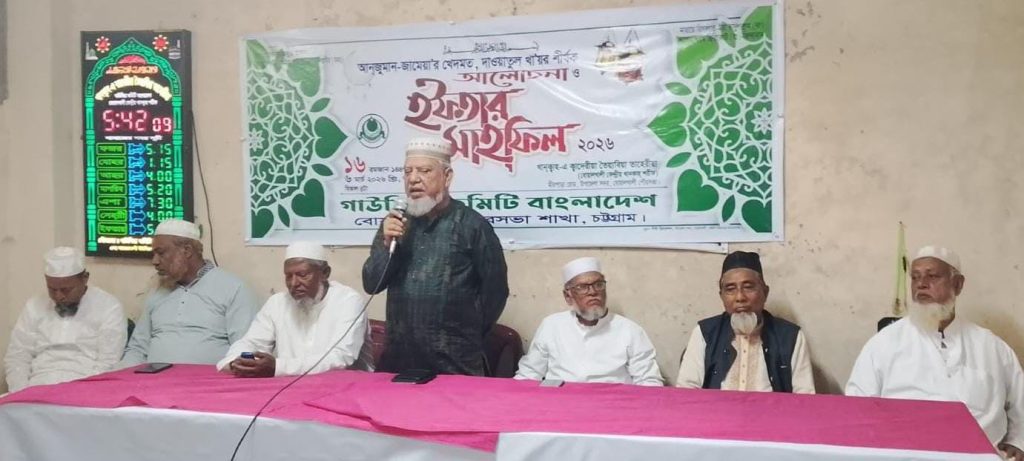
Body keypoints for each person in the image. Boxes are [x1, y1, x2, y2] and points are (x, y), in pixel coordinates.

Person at [846, 246, 1024, 460]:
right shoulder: (884, 343)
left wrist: (1018, 442)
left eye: (932, 276)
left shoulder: (992, 347)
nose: (921, 284)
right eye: (915, 277)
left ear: (958, 284)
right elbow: (857, 406)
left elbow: (1020, 402)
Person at [362, 137, 509, 376]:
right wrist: (388, 244)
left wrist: (462, 334)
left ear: (447, 176)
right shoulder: (395, 223)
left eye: (424, 171)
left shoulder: (472, 226)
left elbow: (495, 292)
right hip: (399, 361)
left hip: (455, 363)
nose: (413, 179)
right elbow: (372, 284)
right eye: (407, 171)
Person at [120, 219, 259, 367]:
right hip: (154, 379)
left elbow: (245, 348)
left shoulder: (233, 288)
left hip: (208, 380)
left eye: (161, 253)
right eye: (154, 254)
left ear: (187, 251)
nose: (155, 261)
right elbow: (137, 349)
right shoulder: (157, 291)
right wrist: (117, 375)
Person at [218, 242, 369, 377]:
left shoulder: (348, 301)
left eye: (302, 275)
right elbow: (252, 342)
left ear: (325, 273)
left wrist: (278, 367)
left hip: (347, 388)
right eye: (288, 276)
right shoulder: (277, 303)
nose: (294, 283)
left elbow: (340, 358)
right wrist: (236, 362)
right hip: (288, 388)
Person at [676, 251, 814, 393]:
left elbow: (805, 396)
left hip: (771, 408)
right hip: (716, 408)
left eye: (748, 287)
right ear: (722, 296)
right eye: (730, 289)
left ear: (765, 292)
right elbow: (686, 392)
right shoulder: (705, 333)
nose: (740, 297)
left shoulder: (790, 337)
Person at [515, 257, 662, 386]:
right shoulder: (551, 325)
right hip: (560, 401)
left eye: (598, 284)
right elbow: (529, 374)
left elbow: (649, 381)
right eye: (582, 287)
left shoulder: (630, 330)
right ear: (568, 296)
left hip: (612, 403)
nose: (593, 292)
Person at [4, 247, 126, 392]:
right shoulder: (34, 305)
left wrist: (87, 394)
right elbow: (18, 356)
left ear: (85, 278)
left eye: (66, 290)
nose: (59, 296)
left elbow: (109, 362)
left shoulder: (108, 306)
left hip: (84, 387)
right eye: (52, 289)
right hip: (36, 386)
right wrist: (20, 393)